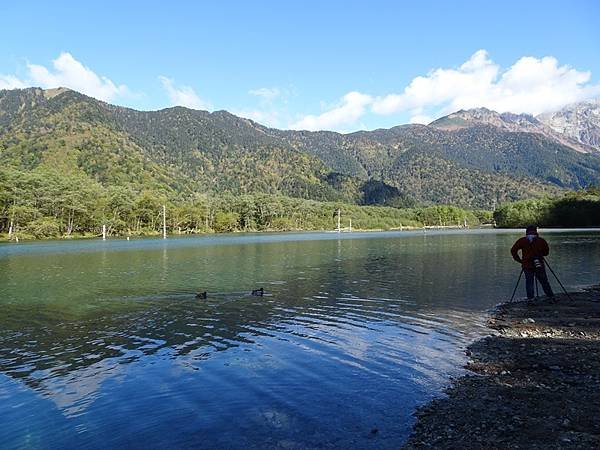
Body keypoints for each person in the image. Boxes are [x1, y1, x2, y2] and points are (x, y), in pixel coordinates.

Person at [511, 225, 554, 300]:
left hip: (527, 265)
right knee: (544, 282)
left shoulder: (522, 240)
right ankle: (551, 297)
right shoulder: (541, 240)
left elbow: (513, 250)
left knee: (529, 283)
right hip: (539, 264)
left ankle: (530, 299)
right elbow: (546, 253)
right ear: (536, 231)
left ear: (526, 232)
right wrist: (540, 253)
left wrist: (519, 260)